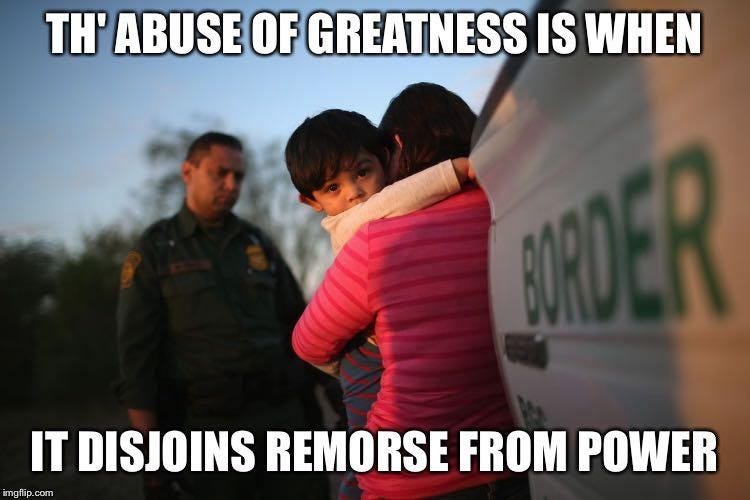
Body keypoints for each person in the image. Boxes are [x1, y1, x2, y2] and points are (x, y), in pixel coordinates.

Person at [293, 83, 527, 499]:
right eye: (333, 188)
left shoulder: (377, 237)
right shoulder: (514, 209)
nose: (355, 194)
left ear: (392, 149)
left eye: (363, 172)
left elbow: (308, 342)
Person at [115, 131, 329, 500]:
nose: (231, 185)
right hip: (208, 431)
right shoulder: (155, 250)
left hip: (284, 421)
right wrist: (151, 464)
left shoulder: (257, 242)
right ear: (187, 171)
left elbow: (304, 326)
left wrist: (334, 392)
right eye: (220, 173)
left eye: (239, 176)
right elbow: (136, 363)